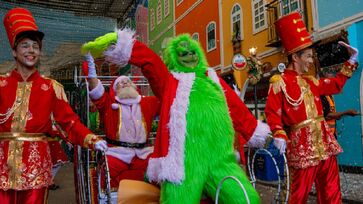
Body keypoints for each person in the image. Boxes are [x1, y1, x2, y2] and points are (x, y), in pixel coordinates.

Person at [84, 28, 272, 204]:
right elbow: (150, 61)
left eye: (192, 53)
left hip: (220, 161)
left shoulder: (213, 79)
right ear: (175, 58)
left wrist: (256, 132)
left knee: (246, 198)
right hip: (184, 165)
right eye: (183, 54)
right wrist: (123, 44)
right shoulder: (171, 82)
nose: (190, 57)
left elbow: (237, 108)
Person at [0, 7, 107, 204]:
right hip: (2, 166)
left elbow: (70, 123)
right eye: (25, 45)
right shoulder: (1, 85)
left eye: (35, 46)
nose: (31, 50)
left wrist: (91, 139)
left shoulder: (51, 87)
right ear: (14, 52)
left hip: (37, 167)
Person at [264, 12, 359, 204]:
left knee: (332, 192)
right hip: (302, 148)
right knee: (298, 196)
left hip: (325, 144)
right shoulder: (279, 83)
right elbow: (272, 112)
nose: (310, 60)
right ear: (295, 57)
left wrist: (351, 61)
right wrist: (279, 133)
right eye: (307, 56)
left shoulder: (312, 81)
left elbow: (335, 85)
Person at [84, 53, 160, 188]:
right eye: (120, 83)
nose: (125, 83)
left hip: (143, 153)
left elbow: (166, 98)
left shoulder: (147, 102)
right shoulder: (109, 104)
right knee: (105, 173)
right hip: (117, 153)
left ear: (134, 86)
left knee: (159, 168)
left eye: (127, 82)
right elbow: (97, 91)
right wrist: (91, 70)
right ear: (115, 90)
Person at [319, 71, 359, 137]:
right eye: (331, 80)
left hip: (331, 133)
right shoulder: (321, 95)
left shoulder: (330, 95)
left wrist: (334, 130)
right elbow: (326, 116)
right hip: (324, 135)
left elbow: (331, 114)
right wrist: (345, 113)